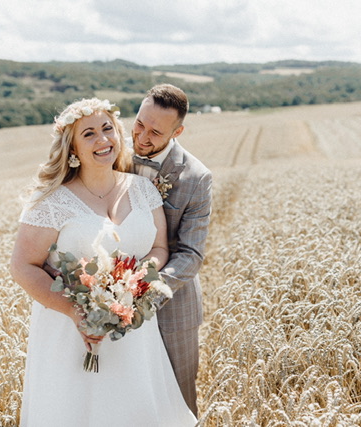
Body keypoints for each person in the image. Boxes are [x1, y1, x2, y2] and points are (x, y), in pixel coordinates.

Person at [10, 98, 197, 426]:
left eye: (108, 129)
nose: (103, 139)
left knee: (135, 411)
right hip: (70, 332)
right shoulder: (51, 202)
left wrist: (131, 287)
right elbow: (23, 266)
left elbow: (158, 248)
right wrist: (76, 312)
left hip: (134, 328)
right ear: (72, 148)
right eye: (89, 134)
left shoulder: (143, 190)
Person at [131, 84, 212, 416]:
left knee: (178, 404)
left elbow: (190, 253)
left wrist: (142, 293)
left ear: (178, 131)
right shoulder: (109, 156)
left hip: (173, 306)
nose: (142, 137)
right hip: (107, 296)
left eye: (155, 132)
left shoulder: (196, 177)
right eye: (139, 124)